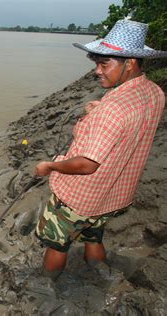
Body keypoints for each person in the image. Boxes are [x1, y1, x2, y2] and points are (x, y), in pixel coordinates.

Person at [34, 19, 166, 279]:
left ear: (130, 63)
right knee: (93, 237)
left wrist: (49, 166)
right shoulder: (154, 92)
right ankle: (98, 272)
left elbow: (87, 164)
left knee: (56, 243)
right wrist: (99, 110)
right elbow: (133, 124)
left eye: (104, 64)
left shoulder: (114, 109)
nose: (97, 70)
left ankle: (44, 287)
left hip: (79, 197)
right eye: (96, 63)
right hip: (114, 194)